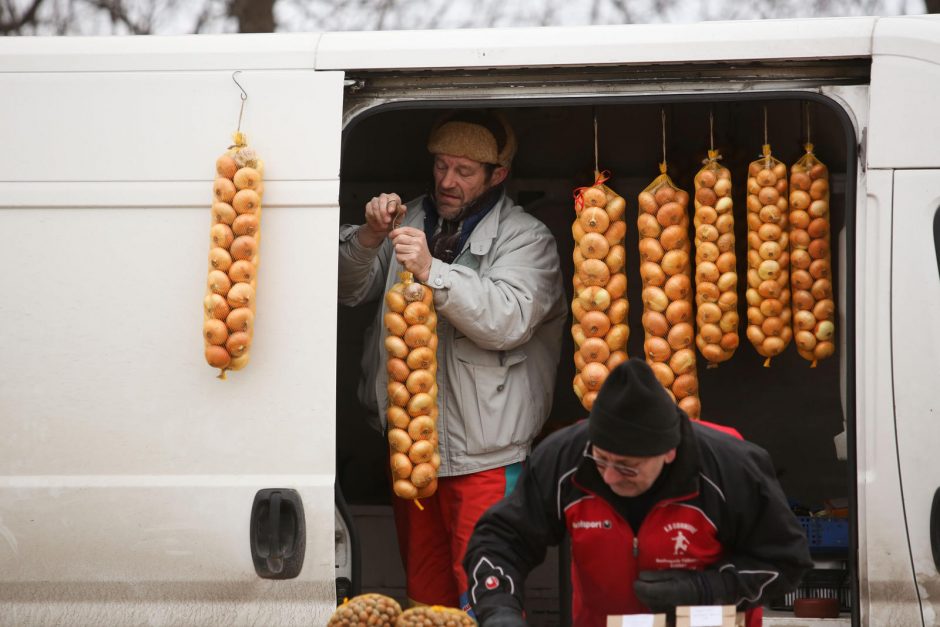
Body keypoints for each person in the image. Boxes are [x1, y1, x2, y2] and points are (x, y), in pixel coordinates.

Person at [337, 110, 567, 612]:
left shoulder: (528, 239)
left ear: (497, 175)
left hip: (486, 458)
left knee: (485, 601)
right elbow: (346, 290)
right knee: (426, 602)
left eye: (464, 171)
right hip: (411, 451)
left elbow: (507, 319)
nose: (447, 181)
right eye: (441, 166)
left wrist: (432, 270)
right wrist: (369, 237)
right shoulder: (409, 219)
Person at [463, 358, 813, 627]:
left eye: (628, 467)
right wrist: (499, 612)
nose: (612, 477)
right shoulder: (565, 458)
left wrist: (703, 590)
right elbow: (502, 540)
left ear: (669, 452)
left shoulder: (731, 466)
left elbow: (786, 561)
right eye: (601, 460)